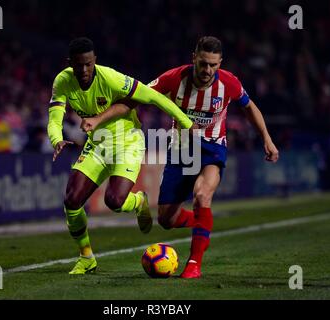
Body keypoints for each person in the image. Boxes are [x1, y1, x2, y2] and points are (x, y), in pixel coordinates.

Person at [47, 37, 195, 275]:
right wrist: (57, 139)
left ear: (94, 60)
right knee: (72, 200)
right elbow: (54, 119)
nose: (84, 70)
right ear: (70, 63)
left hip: (127, 142)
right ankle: (86, 258)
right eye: (78, 65)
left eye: (88, 64)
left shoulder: (111, 78)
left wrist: (186, 122)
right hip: (97, 145)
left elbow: (153, 96)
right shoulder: (63, 81)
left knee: (114, 201)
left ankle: (138, 201)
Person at [148, 36, 279, 278]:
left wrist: (267, 139)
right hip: (181, 150)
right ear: (194, 58)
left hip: (212, 149)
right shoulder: (174, 78)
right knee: (166, 219)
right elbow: (139, 95)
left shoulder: (228, 83)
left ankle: (194, 263)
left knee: (202, 194)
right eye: (203, 64)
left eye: (213, 65)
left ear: (220, 63)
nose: (208, 70)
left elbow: (250, 107)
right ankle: (201, 223)